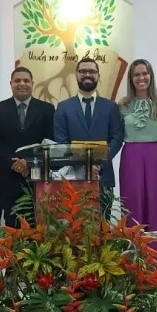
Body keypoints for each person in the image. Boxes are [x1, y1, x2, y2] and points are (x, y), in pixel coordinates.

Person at [116, 59, 157, 271]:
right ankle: (135, 266)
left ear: (151, 75)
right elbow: (116, 133)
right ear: (131, 79)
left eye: (145, 74)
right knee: (133, 209)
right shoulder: (122, 104)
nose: (141, 78)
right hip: (131, 155)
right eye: (136, 75)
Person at [54, 58, 123, 219]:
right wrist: (85, 165)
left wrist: (98, 163)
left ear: (98, 76)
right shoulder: (63, 107)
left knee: (102, 227)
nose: (87, 75)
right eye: (83, 71)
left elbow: (117, 138)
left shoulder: (111, 106)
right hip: (73, 176)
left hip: (103, 174)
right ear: (76, 75)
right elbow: (62, 141)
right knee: (73, 228)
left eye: (92, 71)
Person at [0, 66, 55, 227]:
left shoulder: (47, 109)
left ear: (32, 83)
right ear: (11, 84)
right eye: (17, 81)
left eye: (26, 80)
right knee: (12, 223)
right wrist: (13, 163)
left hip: (37, 175)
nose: (22, 84)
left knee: (39, 223)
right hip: (8, 176)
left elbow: (51, 141)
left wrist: (28, 163)